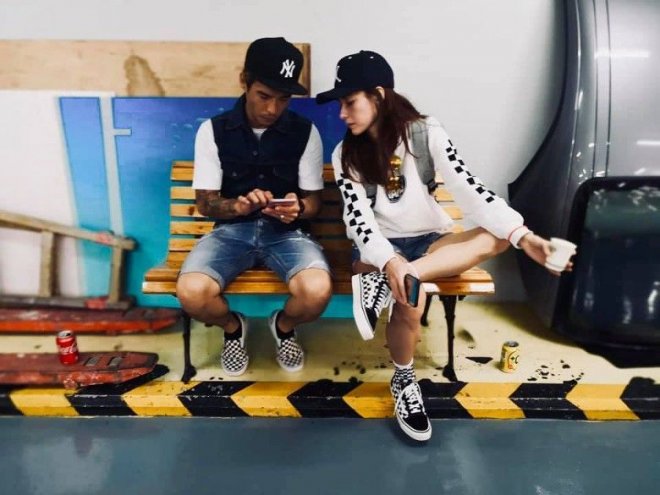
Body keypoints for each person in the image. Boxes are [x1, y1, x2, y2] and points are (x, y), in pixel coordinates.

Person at [316, 50, 572, 441]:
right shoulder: (345, 154)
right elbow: (359, 223)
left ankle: (407, 275)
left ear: (379, 96)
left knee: (495, 238)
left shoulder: (425, 133)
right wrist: (390, 262)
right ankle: (404, 379)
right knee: (410, 300)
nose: (342, 114)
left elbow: (470, 191)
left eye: (350, 102)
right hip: (378, 248)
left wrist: (525, 237)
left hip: (429, 244)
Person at [176, 37, 332, 377]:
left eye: (283, 98)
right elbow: (205, 203)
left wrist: (298, 208)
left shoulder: (305, 132)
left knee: (317, 292)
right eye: (264, 95)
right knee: (191, 293)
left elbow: (314, 203)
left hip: (287, 234)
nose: (273, 109)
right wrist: (238, 206)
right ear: (244, 81)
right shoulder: (213, 131)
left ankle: (284, 326)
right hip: (231, 232)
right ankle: (233, 328)